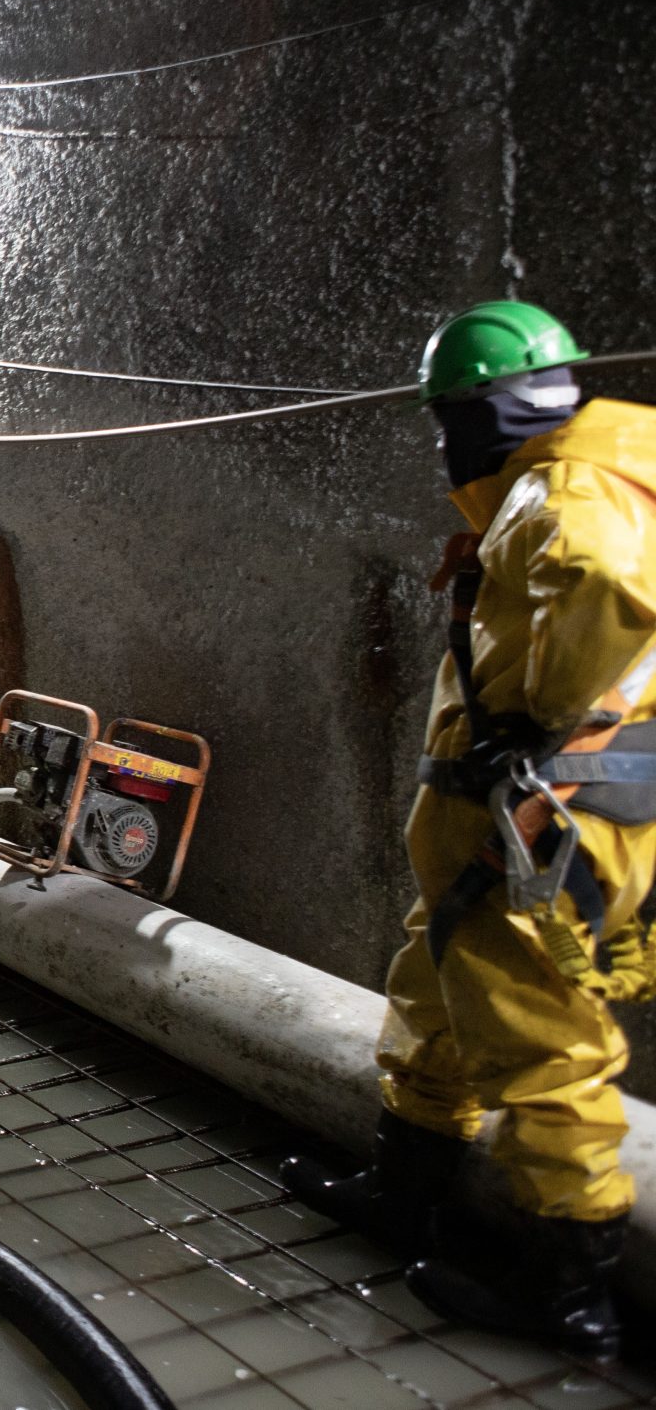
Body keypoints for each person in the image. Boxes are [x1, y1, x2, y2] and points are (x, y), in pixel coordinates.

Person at [285, 301, 656, 1359]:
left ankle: (566, 1291)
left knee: (539, 1032)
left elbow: (607, 587)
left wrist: (543, 724)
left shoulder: (565, 493)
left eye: (450, 416)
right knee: (437, 984)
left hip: (543, 811)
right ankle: (405, 1192)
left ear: (480, 410)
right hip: (517, 805)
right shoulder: (587, 473)